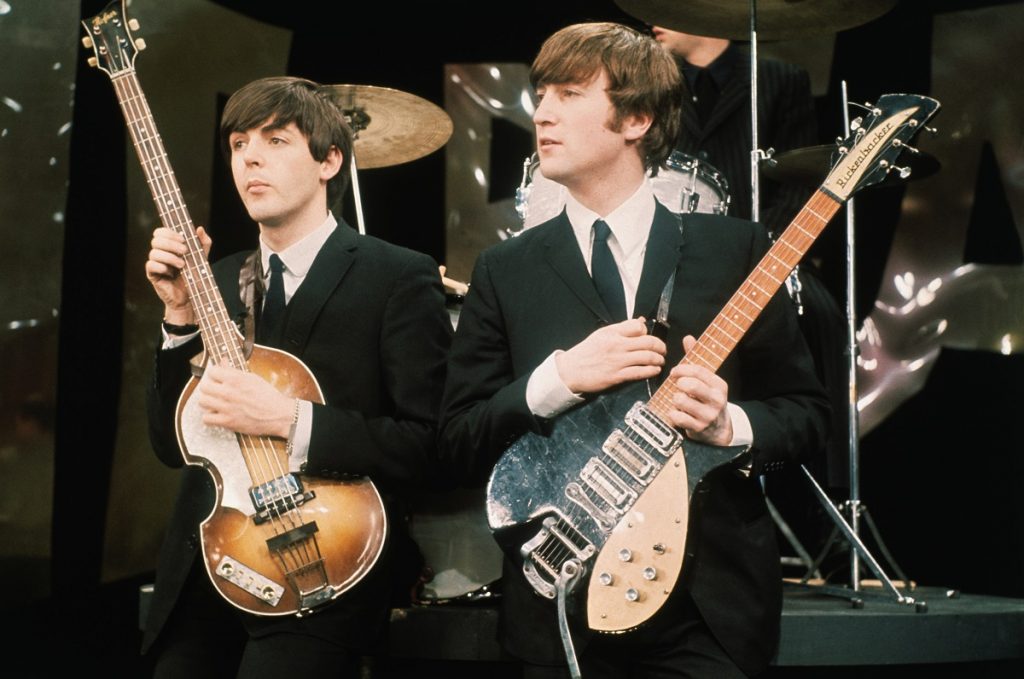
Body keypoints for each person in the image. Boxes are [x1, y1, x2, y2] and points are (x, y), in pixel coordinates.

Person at [440, 22, 829, 678]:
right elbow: (454, 441)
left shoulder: (733, 249)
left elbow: (808, 415)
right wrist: (558, 379)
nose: (543, 113)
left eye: (569, 94)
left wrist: (729, 425)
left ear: (637, 119)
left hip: (708, 613)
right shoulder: (505, 270)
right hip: (560, 607)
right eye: (542, 93)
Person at [142, 76, 451, 677]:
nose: (250, 158)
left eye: (276, 140)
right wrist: (178, 318)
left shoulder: (397, 276)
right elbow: (169, 445)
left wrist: (288, 420)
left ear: (329, 161)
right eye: (239, 144)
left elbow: (431, 444)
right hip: (206, 568)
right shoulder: (215, 279)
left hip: (322, 567)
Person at [651, 25, 817, 238]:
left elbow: (798, 179)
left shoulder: (780, 78)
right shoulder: (657, 84)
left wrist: (759, 239)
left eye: (671, 9)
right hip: (673, 244)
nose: (653, 21)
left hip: (760, 243)